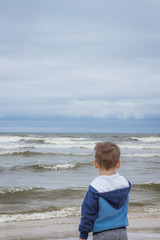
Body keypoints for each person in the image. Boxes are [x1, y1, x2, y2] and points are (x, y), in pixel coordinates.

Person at [79, 142, 132, 240]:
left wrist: (83, 235)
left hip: (102, 235)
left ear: (95, 163)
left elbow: (88, 214)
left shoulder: (95, 188)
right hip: (122, 233)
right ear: (119, 164)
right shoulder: (124, 184)